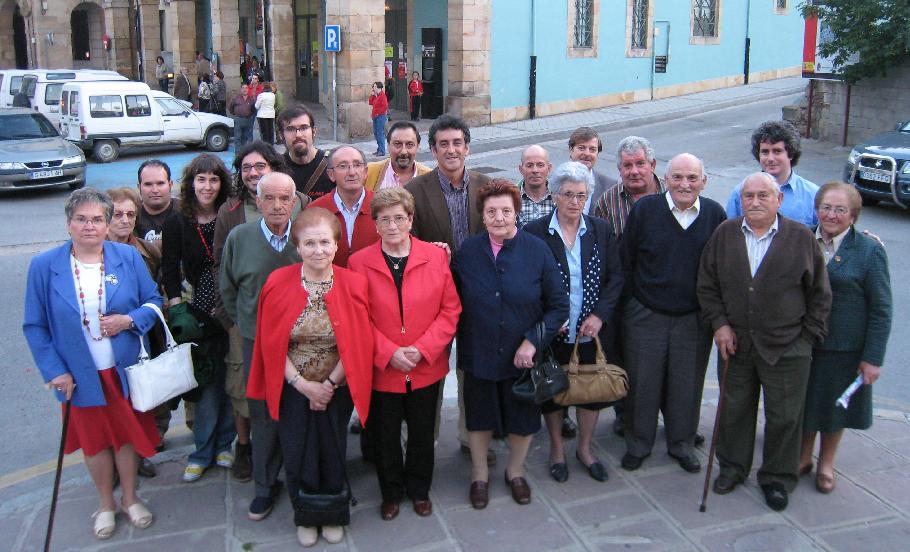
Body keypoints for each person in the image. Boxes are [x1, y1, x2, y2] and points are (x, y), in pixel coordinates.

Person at [24, 188, 162, 539]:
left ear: (107, 223)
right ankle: (105, 504)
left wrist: (128, 321)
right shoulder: (45, 266)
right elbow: (35, 325)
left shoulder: (127, 258)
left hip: (122, 370)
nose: (90, 226)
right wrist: (54, 370)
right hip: (79, 375)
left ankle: (131, 498)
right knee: (95, 442)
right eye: (81, 219)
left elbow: (152, 301)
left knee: (126, 438)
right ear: (69, 224)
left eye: (98, 219)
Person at [697, 172, 832, 512]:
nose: (755, 202)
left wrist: (805, 338)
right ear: (740, 200)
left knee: (785, 417)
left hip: (788, 346)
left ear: (779, 200)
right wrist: (720, 325)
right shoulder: (725, 234)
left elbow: (820, 295)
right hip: (736, 344)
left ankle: (776, 478)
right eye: (748, 196)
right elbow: (707, 285)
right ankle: (732, 467)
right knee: (734, 410)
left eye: (763, 196)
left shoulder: (800, 237)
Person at [248, 207, 373, 547]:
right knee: (297, 448)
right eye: (310, 243)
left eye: (325, 242)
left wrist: (329, 385)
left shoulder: (354, 284)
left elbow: (359, 344)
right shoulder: (277, 282)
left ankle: (332, 512)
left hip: (337, 384)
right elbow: (269, 344)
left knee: (332, 446)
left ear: (336, 245)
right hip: (293, 385)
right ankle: (305, 514)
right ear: (297, 247)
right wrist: (303, 386)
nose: (318, 250)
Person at [454, 180, 569, 509]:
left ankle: (515, 471)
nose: (499, 217)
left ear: (516, 213)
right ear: (483, 216)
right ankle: (479, 475)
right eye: (492, 211)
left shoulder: (537, 250)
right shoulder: (469, 251)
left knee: (522, 419)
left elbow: (558, 305)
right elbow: (451, 296)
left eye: (506, 210)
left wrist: (532, 342)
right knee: (479, 418)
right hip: (480, 352)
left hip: (524, 358)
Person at [348, 187, 461, 520]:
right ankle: (391, 492)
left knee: (423, 434)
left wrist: (422, 349)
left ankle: (419, 490)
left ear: (411, 220)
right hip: (384, 368)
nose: (393, 225)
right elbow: (359, 318)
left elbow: (450, 309)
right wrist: (387, 352)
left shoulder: (436, 256)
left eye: (399, 218)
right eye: (385, 219)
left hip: (425, 365)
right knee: (385, 437)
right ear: (377, 225)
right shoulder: (358, 262)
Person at [618, 154, 726, 473]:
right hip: (645, 313)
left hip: (692, 317)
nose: (684, 184)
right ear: (666, 179)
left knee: (687, 384)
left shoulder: (714, 214)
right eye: (677, 177)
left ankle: (682, 443)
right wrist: (631, 307)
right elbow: (626, 260)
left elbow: (720, 268)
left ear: (703, 182)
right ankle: (638, 443)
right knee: (642, 383)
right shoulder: (646, 210)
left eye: (692, 178)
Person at [523, 162, 623, 483]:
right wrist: (549, 319)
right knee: (554, 390)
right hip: (554, 332)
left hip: (589, 330)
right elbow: (528, 284)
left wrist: (599, 316)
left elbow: (616, 278)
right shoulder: (535, 232)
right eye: (567, 194)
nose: (574, 202)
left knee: (590, 389)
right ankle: (556, 449)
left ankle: (584, 448)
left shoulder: (601, 230)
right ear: (554, 195)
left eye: (581, 195)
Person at [405, 114, 492, 463]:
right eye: (444, 144)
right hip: (433, 298)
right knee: (430, 370)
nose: (451, 149)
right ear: (433, 150)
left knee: (472, 370)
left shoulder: (487, 186)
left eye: (458, 143)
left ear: (467, 148)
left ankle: (473, 439)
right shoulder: (414, 192)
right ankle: (423, 441)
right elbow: (406, 244)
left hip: (477, 295)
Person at [220, 171, 305, 519]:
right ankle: (265, 485)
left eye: (285, 198)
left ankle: (303, 481)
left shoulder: (306, 237)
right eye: (269, 198)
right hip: (257, 341)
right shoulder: (240, 238)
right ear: (257, 201)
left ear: (295, 201)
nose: (277, 205)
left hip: (303, 340)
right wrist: (246, 326)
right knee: (264, 413)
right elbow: (228, 290)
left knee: (301, 410)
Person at [800, 182, 892, 494]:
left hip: (845, 347)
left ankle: (826, 463)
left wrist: (873, 358)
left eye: (840, 209)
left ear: (853, 215)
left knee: (835, 409)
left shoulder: (869, 250)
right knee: (806, 404)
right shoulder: (800, 239)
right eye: (826, 207)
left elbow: (881, 308)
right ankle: (801, 457)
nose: (831, 214)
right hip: (804, 342)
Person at [161, 154, 237, 483]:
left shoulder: (229, 216)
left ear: (222, 183)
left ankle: (224, 444)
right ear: (191, 183)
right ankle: (202, 450)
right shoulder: (178, 220)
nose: (207, 186)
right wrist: (179, 310)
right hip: (197, 312)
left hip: (228, 308)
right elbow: (169, 267)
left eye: (214, 179)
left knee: (230, 380)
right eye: (201, 179)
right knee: (205, 383)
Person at [591, 135, 666, 438]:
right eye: (627, 166)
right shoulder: (608, 200)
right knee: (621, 357)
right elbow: (599, 250)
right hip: (623, 295)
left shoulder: (670, 194)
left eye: (640, 164)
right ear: (619, 168)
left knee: (661, 362)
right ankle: (625, 415)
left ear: (653, 165)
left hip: (662, 295)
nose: (634, 171)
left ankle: (666, 417)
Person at [105, 186, 166, 477]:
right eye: (118, 214)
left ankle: (137, 456)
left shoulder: (146, 250)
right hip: (102, 348)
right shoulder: (89, 253)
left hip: (139, 338)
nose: (125, 220)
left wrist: (132, 320)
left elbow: (154, 295)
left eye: (131, 214)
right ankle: (113, 465)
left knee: (138, 404)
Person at [726, 120, 819, 227]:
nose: (770, 158)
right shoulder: (740, 192)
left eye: (777, 151)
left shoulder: (813, 195)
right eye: (765, 152)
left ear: (791, 154)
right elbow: (730, 234)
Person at [308, 146, 379, 267]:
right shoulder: (314, 211)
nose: (352, 172)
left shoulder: (382, 206)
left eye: (357, 165)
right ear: (331, 174)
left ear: (366, 172)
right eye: (343, 166)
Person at [279, 103, 335, 201]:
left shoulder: (332, 165)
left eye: (304, 128)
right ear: (281, 135)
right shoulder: (276, 168)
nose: (298, 135)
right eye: (290, 129)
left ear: (314, 131)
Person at [364, 121, 432, 191]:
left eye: (409, 144)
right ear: (388, 146)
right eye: (397, 144)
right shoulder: (369, 173)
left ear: (417, 147)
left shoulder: (430, 178)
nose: (403, 151)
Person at [568, 127, 617, 215]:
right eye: (581, 148)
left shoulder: (611, 187)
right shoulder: (554, 184)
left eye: (592, 149)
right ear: (571, 150)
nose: (587, 153)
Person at [134, 159, 180, 243]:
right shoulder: (130, 216)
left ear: (170, 185)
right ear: (139, 187)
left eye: (160, 183)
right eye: (148, 184)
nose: (155, 190)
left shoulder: (187, 212)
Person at [517, 145, 554, 227]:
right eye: (529, 165)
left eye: (540, 165)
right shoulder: (511, 198)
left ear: (549, 168)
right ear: (521, 169)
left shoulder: (559, 196)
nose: (535, 170)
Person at [369, 81, 390, 157]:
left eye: (374, 87)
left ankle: (382, 150)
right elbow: (370, 102)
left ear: (379, 87)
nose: (373, 88)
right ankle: (379, 149)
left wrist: (378, 113)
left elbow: (385, 106)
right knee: (376, 133)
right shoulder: (376, 95)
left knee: (380, 133)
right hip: (375, 116)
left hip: (380, 116)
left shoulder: (382, 96)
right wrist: (372, 96)